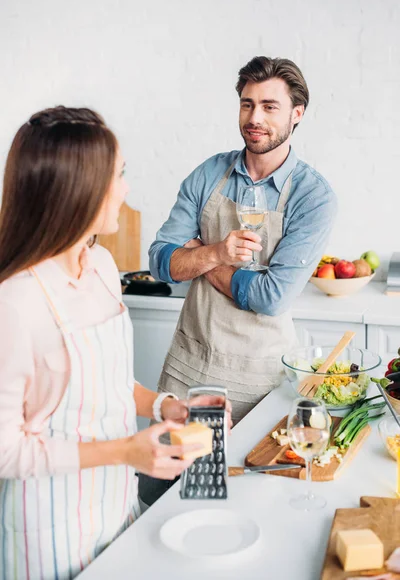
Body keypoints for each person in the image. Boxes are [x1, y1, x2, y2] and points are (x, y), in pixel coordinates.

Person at [0, 106, 231, 580]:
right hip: (49, 523)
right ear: (78, 190)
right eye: (118, 175)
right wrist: (126, 451)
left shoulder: (103, 266)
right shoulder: (15, 300)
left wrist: (166, 406)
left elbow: (104, 381)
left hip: (115, 503)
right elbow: (6, 452)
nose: (126, 188)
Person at [139, 56, 337, 507]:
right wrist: (216, 253)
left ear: (297, 113)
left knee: (244, 503)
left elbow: (271, 296)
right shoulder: (210, 173)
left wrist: (199, 259)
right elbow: (159, 261)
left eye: (270, 106)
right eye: (247, 105)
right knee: (159, 497)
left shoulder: (313, 196)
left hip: (258, 381)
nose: (255, 118)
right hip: (187, 368)